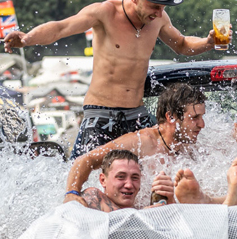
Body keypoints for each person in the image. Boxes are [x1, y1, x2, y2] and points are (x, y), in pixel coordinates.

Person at [3, 0, 219, 158]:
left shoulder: (159, 19)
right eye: (154, 6)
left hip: (136, 114)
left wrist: (208, 42)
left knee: (176, 155)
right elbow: (61, 28)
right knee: (80, 171)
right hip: (100, 113)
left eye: (163, 7)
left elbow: (181, 44)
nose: (160, 13)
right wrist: (27, 39)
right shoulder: (105, 12)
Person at [65, 83, 207, 196]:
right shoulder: (141, 142)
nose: (202, 125)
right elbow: (86, 160)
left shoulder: (189, 147)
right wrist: (72, 194)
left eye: (202, 117)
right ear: (170, 117)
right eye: (195, 118)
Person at [66, 149, 175, 212]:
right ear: (103, 180)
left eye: (135, 178)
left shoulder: (142, 207)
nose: (129, 185)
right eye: (121, 177)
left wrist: (172, 203)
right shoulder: (95, 196)